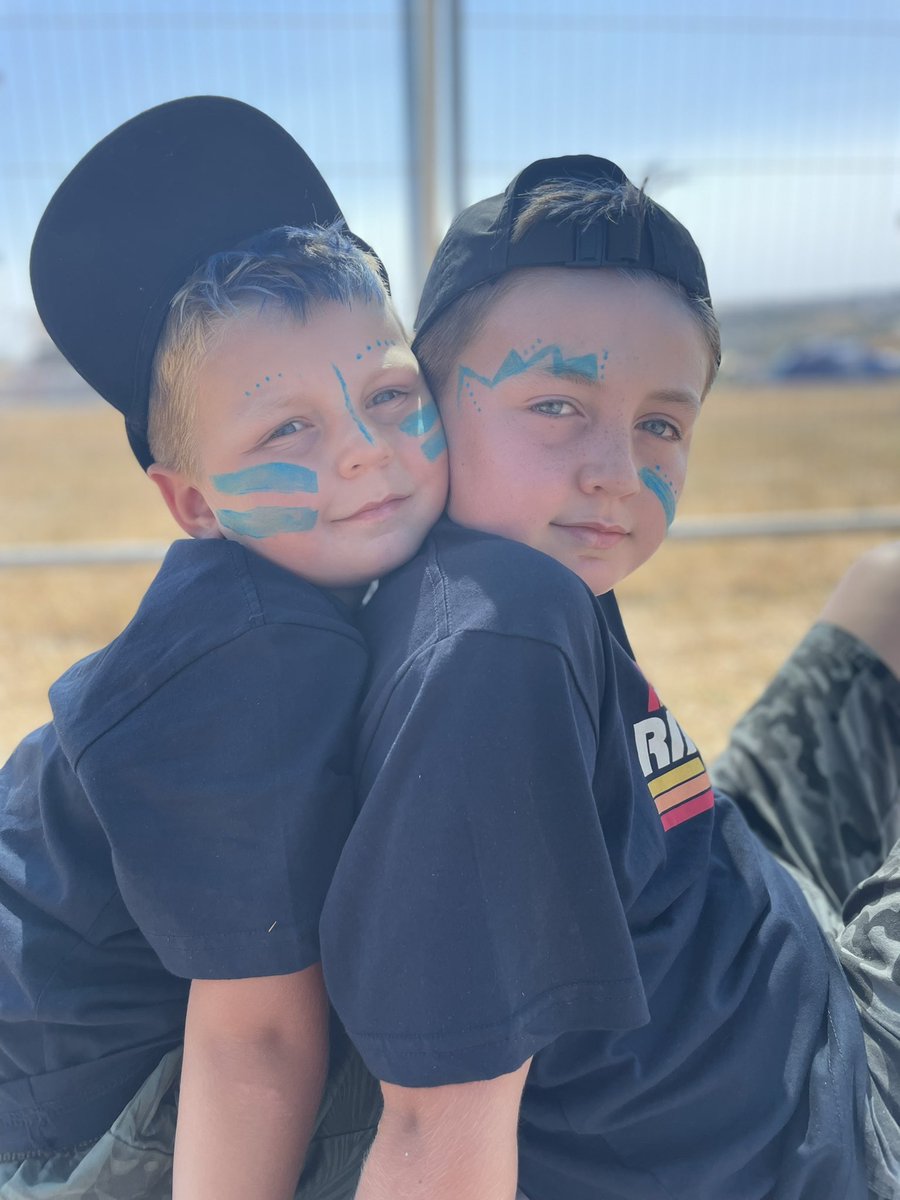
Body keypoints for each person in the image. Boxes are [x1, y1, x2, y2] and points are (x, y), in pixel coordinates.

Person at [319, 155, 900, 1199]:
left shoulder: (530, 557)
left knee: (888, 587)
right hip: (833, 1118)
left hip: (735, 916)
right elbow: (436, 1130)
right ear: (422, 407)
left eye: (662, 425)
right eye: (557, 405)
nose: (618, 472)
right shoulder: (501, 644)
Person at [0, 97, 447, 1199]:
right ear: (194, 505)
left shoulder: (326, 578)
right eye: (287, 427)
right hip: (69, 1104)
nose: (365, 453)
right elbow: (256, 1040)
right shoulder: (252, 659)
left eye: (391, 394)